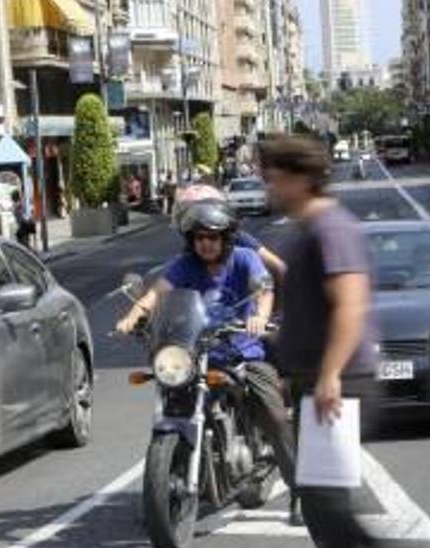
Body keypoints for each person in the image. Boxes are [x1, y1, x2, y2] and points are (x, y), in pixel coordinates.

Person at [114, 200, 297, 505]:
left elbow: (264, 290)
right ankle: (162, 488)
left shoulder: (245, 258)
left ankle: (301, 487)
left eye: (213, 237)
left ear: (226, 238)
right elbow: (156, 293)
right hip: (197, 353)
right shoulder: (185, 265)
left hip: (243, 352)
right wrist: (133, 315)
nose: (206, 244)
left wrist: (260, 317)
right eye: (199, 238)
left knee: (273, 414)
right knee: (171, 395)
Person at [261, 134, 380, 547]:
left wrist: (329, 375)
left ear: (301, 179)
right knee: (319, 505)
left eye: (275, 179)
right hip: (316, 380)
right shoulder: (306, 228)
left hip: (341, 380)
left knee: (328, 509)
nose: (269, 188)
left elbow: (350, 303)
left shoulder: (331, 227)